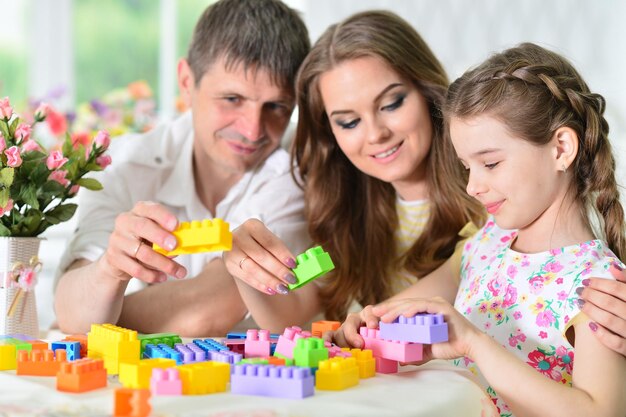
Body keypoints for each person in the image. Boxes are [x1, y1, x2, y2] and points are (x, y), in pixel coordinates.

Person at [225, 10, 626, 355]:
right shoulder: (343, 208)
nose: (376, 133)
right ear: (330, 132)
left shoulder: (508, 207)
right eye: (348, 121)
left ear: (428, 94)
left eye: (392, 103)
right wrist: (243, 265)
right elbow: (291, 316)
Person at [336, 43, 626, 416]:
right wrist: (363, 325)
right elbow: (401, 312)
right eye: (466, 166)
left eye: (490, 163)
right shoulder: (488, 241)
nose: (473, 186)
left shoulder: (597, 285)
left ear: (561, 148)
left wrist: (473, 343)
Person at [54, 0, 314, 336]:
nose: (252, 130)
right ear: (186, 81)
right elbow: (70, 310)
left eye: (276, 106)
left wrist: (97, 326)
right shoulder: (126, 164)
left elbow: (207, 310)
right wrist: (109, 270)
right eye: (232, 99)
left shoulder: (298, 169)